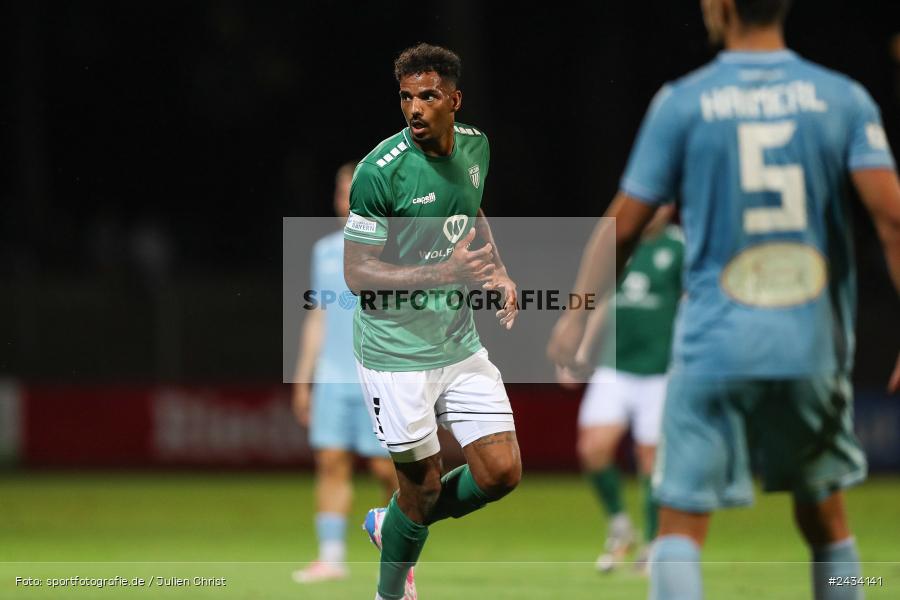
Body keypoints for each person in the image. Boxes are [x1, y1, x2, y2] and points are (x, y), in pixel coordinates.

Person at [547, 0, 900, 598]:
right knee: (827, 524)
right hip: (809, 343)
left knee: (680, 527)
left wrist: (575, 314)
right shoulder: (843, 98)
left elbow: (624, 228)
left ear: (719, 7)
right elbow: (891, 219)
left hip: (713, 347)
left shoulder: (682, 102)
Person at [343, 43, 521, 600]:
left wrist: (499, 270)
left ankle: (391, 523)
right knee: (418, 493)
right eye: (406, 97)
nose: (415, 108)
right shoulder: (379, 172)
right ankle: (390, 593)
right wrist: (447, 271)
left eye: (428, 96)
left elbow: (472, 208)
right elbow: (355, 273)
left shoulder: (476, 148)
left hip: (456, 341)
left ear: (454, 100)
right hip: (395, 353)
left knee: (500, 473)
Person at [558, 204, 682, 573]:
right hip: (615, 367)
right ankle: (620, 526)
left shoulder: (679, 248)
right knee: (593, 448)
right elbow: (601, 302)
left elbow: (694, 300)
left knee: (651, 461)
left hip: (661, 371)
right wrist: (580, 351)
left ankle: (655, 543)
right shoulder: (620, 245)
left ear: (671, 208)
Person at [291, 163, 398, 584]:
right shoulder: (324, 250)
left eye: (352, 192)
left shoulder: (394, 249)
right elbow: (317, 316)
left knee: (386, 469)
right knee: (331, 462)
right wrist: (303, 378)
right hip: (333, 380)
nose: (345, 201)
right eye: (340, 192)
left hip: (379, 377)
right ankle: (331, 557)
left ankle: (400, 541)